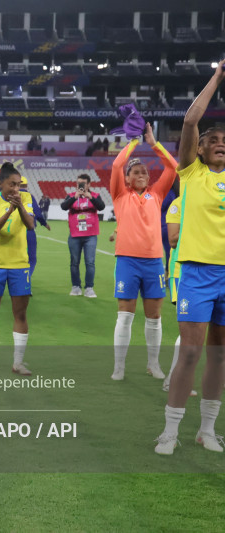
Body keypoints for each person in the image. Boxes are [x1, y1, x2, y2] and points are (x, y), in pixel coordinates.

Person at [155, 59, 225, 455]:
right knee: (191, 352)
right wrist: (216, 78)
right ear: (197, 150)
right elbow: (189, 120)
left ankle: (208, 430)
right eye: (212, 139)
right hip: (197, 273)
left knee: (219, 357)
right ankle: (170, 431)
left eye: (224, 141)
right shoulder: (191, 174)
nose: (220, 142)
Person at [109, 123, 176, 381]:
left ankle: (153, 364)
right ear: (126, 178)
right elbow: (116, 166)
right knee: (125, 315)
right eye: (135, 171)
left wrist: (154, 143)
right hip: (127, 261)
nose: (142, 174)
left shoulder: (156, 194)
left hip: (154, 263)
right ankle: (119, 367)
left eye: (145, 171)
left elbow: (172, 168)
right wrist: (134, 142)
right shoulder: (119, 194)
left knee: (154, 317)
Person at [0, 163, 34, 376]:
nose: (16, 189)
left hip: (20, 265)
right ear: (1, 183)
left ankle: (18, 363)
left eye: (18, 185)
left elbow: (30, 225)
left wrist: (18, 206)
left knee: (20, 313)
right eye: (12, 184)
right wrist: (10, 209)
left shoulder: (26, 199)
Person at [161, 197, 197, 397]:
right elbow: (173, 239)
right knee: (189, 329)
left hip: (213, 271)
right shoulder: (178, 203)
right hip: (182, 271)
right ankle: (173, 380)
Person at [61, 174, 105, 297]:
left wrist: (90, 197)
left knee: (90, 262)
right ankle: (76, 286)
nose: (80, 185)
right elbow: (63, 207)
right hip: (75, 234)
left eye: (83, 183)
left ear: (89, 184)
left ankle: (89, 288)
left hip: (90, 235)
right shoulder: (71, 196)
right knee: (74, 262)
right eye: (78, 183)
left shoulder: (94, 195)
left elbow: (101, 207)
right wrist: (74, 198)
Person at [21, 177, 50, 283]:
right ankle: (26, 280)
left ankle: (14, 282)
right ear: (26, 185)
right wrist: (44, 223)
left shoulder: (11, 196)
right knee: (31, 258)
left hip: (14, 231)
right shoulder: (29, 196)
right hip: (28, 230)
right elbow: (37, 213)